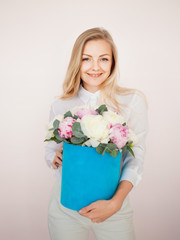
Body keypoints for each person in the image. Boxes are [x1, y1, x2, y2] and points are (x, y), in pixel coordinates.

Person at [45, 27, 148, 240]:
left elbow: (135, 156)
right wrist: (53, 158)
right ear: (77, 62)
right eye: (86, 59)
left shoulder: (132, 101)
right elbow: (50, 151)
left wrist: (116, 202)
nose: (95, 67)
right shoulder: (60, 104)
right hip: (66, 205)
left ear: (112, 63)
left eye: (103, 59)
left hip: (113, 205)